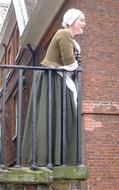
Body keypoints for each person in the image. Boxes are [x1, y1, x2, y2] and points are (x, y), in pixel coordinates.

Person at [22, 8, 86, 167]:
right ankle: (48, 159)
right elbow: (70, 63)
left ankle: (58, 158)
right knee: (50, 115)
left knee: (58, 115)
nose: (84, 23)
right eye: (82, 20)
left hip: (58, 80)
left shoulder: (69, 38)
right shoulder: (64, 34)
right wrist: (76, 66)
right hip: (52, 81)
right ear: (72, 21)